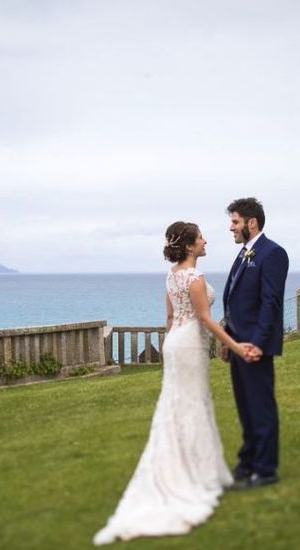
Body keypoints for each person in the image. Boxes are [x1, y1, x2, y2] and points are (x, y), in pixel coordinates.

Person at [94, 221, 254, 545]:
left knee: (177, 405)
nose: (206, 240)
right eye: (201, 237)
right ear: (192, 245)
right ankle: (192, 477)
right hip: (189, 346)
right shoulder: (195, 278)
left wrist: (174, 342)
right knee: (191, 405)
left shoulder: (170, 276)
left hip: (175, 343)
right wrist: (235, 346)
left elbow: (169, 318)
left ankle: (192, 469)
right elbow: (206, 319)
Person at [221, 197, 289, 490]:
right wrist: (228, 338)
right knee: (245, 407)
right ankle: (246, 462)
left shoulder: (272, 253)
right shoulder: (244, 254)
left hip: (255, 347)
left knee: (260, 407)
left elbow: (269, 303)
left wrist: (258, 343)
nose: (231, 228)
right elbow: (237, 302)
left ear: (252, 222)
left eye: (235, 222)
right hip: (238, 344)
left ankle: (265, 469)